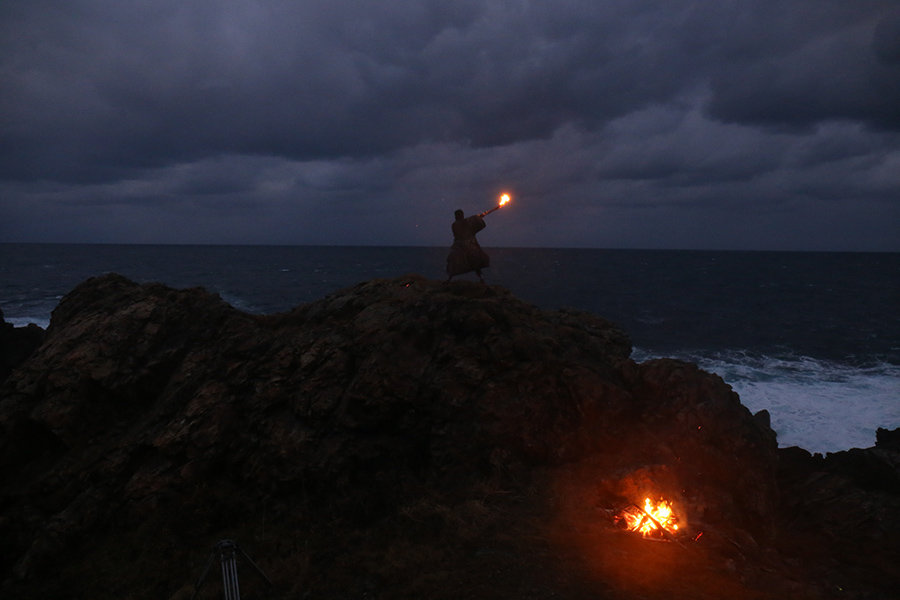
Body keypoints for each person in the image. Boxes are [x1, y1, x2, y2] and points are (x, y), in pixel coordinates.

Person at [446, 208, 491, 282]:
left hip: (463, 246)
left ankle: (481, 278)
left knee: (474, 262)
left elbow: (470, 222)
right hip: (465, 246)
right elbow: (470, 222)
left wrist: (479, 217)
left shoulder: (458, 223)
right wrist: (478, 217)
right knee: (454, 261)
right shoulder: (457, 224)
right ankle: (449, 278)